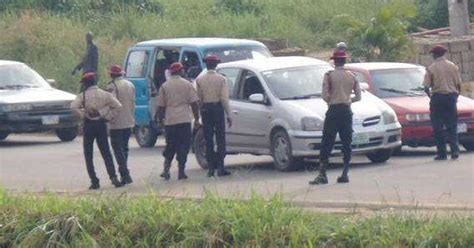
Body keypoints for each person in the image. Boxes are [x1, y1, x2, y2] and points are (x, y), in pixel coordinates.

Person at [309, 50, 361, 185]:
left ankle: (322, 174)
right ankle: (345, 173)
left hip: (333, 110)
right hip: (346, 111)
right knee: (346, 142)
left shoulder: (329, 75)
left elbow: (324, 95)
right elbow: (359, 97)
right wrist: (347, 100)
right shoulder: (352, 76)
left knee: (327, 141)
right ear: (344, 61)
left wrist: (332, 100)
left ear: (334, 61)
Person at [71, 72, 123, 189]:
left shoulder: (83, 95)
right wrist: (106, 116)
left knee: (88, 154)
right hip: (101, 124)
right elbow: (118, 106)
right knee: (106, 153)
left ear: (85, 84)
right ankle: (113, 177)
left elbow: (73, 107)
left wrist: (84, 115)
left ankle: (94, 180)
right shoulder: (105, 94)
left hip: (89, 125)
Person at [156, 62, 200, 180]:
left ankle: (166, 169)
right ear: (181, 71)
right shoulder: (187, 84)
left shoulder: (165, 86)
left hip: (170, 120)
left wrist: (161, 121)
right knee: (183, 146)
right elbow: (194, 103)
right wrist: (196, 118)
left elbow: (161, 106)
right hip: (184, 119)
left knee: (170, 145)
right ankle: (181, 171)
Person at [423, 45, 462, 160]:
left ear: (435, 55)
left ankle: (442, 153)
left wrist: (430, 96)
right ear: (444, 54)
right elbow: (458, 83)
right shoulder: (453, 66)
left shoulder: (431, 68)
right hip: (451, 98)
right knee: (452, 125)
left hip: (438, 97)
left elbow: (426, 86)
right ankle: (455, 150)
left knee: (438, 126)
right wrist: (455, 95)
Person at [196, 55, 232, 177]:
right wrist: (229, 114)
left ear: (206, 65)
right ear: (216, 65)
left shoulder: (200, 79)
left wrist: (201, 112)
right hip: (217, 109)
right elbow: (224, 98)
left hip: (206, 109)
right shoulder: (221, 79)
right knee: (220, 138)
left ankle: (211, 168)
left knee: (208, 139)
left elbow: (199, 99)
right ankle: (221, 167)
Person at [106, 65, 136, 185]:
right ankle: (125, 173)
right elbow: (133, 102)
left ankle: (125, 173)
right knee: (124, 149)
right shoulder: (130, 85)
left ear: (112, 75)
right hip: (128, 120)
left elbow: (111, 103)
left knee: (118, 150)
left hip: (116, 122)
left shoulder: (112, 86)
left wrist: (107, 117)